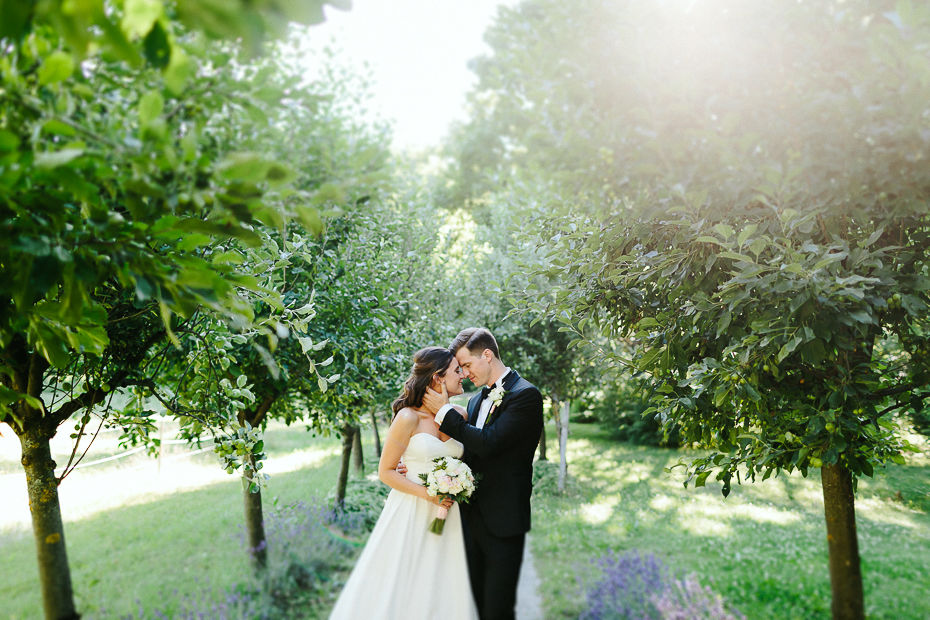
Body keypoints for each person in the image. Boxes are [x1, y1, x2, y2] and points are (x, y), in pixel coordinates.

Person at [328, 346, 479, 620]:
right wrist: (429, 494)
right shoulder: (408, 417)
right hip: (413, 510)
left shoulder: (461, 415)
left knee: (444, 581)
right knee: (405, 580)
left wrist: (459, 481)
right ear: (437, 378)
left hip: (450, 512)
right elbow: (386, 471)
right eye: (457, 371)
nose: (463, 376)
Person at [422, 327, 544, 620]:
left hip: (503, 522)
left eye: (466, 365)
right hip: (468, 520)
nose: (463, 373)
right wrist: (419, 467)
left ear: (487, 355)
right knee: (476, 604)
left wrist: (444, 412)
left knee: (497, 610)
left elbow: (490, 444)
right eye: (459, 368)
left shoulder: (526, 396)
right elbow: (467, 451)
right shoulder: (476, 401)